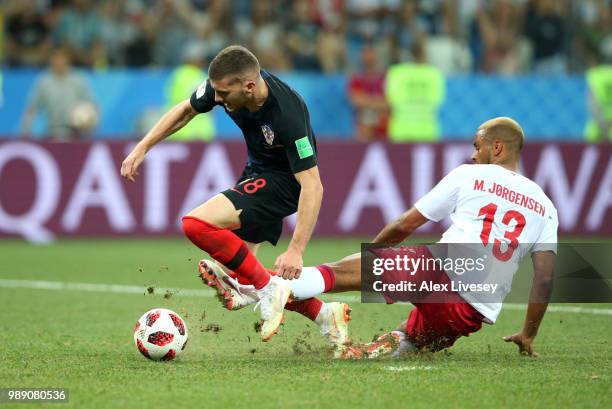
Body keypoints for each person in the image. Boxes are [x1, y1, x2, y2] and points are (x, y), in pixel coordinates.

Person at [213, 117, 558, 358]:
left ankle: (254, 285)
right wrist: (529, 334)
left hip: (436, 267)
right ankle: (381, 346)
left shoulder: (472, 176)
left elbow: (405, 225)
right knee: (413, 339)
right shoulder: (545, 206)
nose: (472, 154)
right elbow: (543, 279)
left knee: (333, 274)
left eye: (477, 146)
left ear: (497, 148)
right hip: (469, 308)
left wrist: (372, 258)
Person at [121, 45, 341, 344]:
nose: (218, 100)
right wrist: (142, 146)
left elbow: (313, 184)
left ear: (249, 86)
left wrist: (296, 250)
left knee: (195, 224)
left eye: (224, 94)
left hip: (285, 183)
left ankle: (267, 288)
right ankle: (324, 315)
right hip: (257, 173)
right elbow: (185, 110)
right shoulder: (222, 87)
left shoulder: (287, 114)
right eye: (216, 92)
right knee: (239, 272)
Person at [21, 48, 96, 139]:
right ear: (51, 60)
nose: (59, 62)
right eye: (56, 58)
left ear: (68, 60)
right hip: (52, 131)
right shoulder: (44, 81)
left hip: (76, 132)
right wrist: (25, 131)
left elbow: (91, 106)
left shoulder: (79, 79)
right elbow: (32, 108)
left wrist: (88, 125)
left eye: (62, 58)